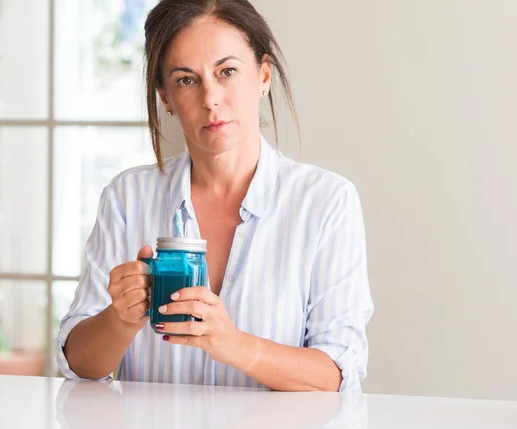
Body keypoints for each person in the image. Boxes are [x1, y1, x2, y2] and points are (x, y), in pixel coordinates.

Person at [57, 0, 373, 392]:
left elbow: (338, 373)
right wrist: (120, 319)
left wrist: (236, 346)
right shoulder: (127, 197)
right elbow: (79, 364)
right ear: (166, 97)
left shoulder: (326, 202)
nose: (211, 98)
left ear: (263, 75)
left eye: (227, 72)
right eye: (187, 79)